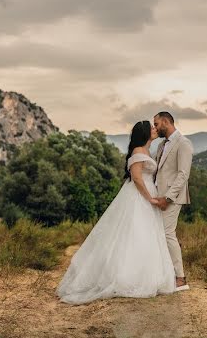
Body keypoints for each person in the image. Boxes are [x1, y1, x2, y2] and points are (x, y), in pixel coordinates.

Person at [56, 120, 176, 304]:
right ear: (144, 133)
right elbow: (136, 178)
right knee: (135, 234)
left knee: (147, 235)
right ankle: (127, 277)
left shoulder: (146, 151)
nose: (155, 129)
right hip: (139, 197)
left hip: (147, 195)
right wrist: (150, 198)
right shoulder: (138, 151)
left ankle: (145, 274)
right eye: (151, 128)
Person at [152, 112, 193, 291]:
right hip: (157, 197)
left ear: (166, 122)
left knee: (168, 233)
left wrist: (168, 198)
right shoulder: (162, 144)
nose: (154, 128)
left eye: (156, 124)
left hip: (172, 198)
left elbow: (183, 175)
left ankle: (180, 278)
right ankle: (165, 273)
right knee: (158, 234)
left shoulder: (183, 143)